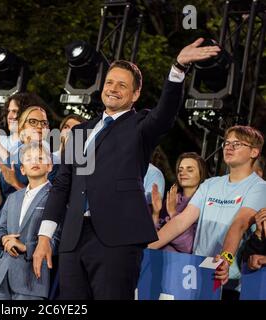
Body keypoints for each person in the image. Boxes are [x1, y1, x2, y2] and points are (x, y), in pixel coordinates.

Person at [32, 38, 221, 300]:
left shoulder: (141, 126)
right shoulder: (79, 132)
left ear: (135, 95)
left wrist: (178, 68)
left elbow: (165, 112)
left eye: (122, 85)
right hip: (73, 240)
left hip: (116, 240)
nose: (113, 88)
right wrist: (44, 237)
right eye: (109, 82)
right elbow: (63, 185)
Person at [149, 126, 266, 299]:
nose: (229, 147)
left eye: (237, 144)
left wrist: (225, 259)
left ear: (254, 152)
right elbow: (181, 221)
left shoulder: (259, 187)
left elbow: (239, 224)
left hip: (228, 280)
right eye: (227, 143)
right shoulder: (210, 184)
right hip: (197, 273)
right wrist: (146, 249)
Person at [0, 143, 60, 300]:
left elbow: (57, 241)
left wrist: (25, 247)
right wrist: (3, 239)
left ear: (49, 166)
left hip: (32, 280)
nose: (35, 161)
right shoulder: (13, 198)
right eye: (29, 158)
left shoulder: (56, 198)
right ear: (22, 169)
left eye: (40, 158)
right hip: (2, 278)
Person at [0, 106, 58, 211]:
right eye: (33, 122)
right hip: (6, 223)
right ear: (22, 127)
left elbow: (45, 202)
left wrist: (15, 183)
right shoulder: (10, 162)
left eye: (44, 123)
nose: (39, 126)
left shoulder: (53, 162)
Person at [151, 152, 207, 253]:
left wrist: (173, 213)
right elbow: (154, 239)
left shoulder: (205, 204)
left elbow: (188, 247)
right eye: (180, 170)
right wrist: (156, 213)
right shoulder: (172, 198)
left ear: (201, 173)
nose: (182, 173)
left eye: (189, 170)